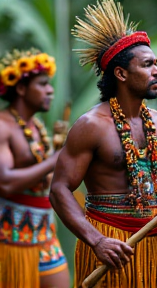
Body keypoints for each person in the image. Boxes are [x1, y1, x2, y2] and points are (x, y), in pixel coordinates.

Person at [49, 1, 157, 288]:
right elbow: (59, 189)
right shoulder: (91, 126)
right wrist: (97, 240)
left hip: (155, 242)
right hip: (110, 245)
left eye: (156, 63)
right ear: (121, 74)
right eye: (147, 65)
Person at [0, 48, 70, 288]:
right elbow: (5, 182)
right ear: (20, 88)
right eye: (42, 84)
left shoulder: (37, 126)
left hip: (46, 235)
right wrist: (56, 159)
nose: (50, 90)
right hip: (9, 238)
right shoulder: (3, 126)